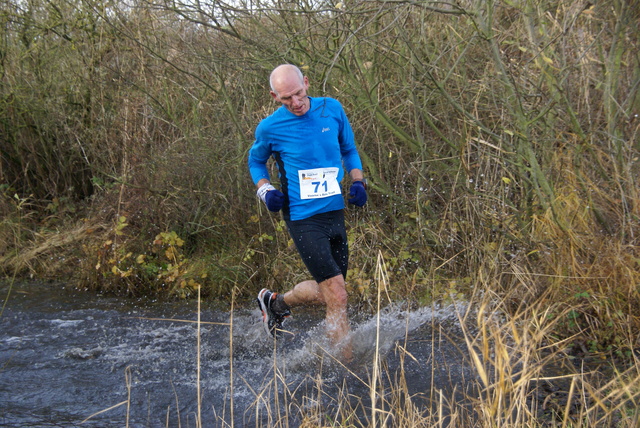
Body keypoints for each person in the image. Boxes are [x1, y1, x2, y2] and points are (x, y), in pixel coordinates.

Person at [248, 64, 367, 352]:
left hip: (334, 211)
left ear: (307, 83)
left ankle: (276, 303)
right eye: (287, 98)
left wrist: (358, 182)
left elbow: (348, 149)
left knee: (331, 295)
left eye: (299, 94)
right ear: (274, 96)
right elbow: (255, 162)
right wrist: (266, 190)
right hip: (302, 217)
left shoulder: (332, 109)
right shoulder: (270, 127)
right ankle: (345, 369)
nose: (296, 103)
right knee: (338, 294)